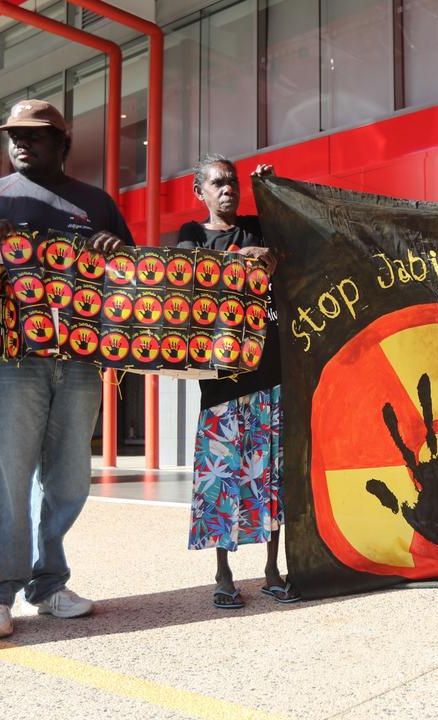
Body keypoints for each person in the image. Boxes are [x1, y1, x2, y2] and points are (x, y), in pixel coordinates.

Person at [0, 99, 133, 639]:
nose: (20, 143)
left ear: (63, 143)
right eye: (13, 135)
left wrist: (114, 254)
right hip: (13, 361)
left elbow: (133, 282)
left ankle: (49, 584)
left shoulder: (95, 202)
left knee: (68, 479)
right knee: (4, 478)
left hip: (80, 360)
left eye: (34, 135)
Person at [179, 154, 298, 609]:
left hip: (271, 372)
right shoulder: (191, 237)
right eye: (218, 182)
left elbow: (289, 224)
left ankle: (272, 570)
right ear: (201, 192)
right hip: (222, 381)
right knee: (223, 479)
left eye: (233, 182)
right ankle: (224, 574)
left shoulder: (258, 226)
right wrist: (240, 257)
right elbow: (191, 281)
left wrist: (271, 187)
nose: (228, 188)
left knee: (271, 478)